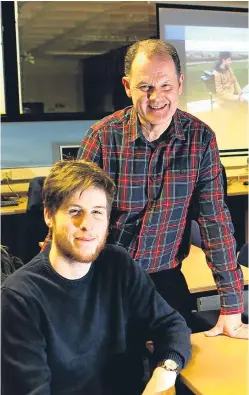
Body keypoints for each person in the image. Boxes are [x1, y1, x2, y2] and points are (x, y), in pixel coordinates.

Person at [77, 39, 248, 339]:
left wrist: (232, 306)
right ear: (127, 86)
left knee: (180, 366)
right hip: (104, 281)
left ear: (180, 84)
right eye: (145, 87)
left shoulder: (201, 139)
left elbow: (215, 223)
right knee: (116, 377)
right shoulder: (102, 137)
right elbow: (73, 217)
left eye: (166, 86)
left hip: (165, 279)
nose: (156, 98)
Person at [1, 159, 191, 395]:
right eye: (74, 212)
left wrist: (165, 371)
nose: (87, 224)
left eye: (97, 213)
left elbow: (171, 325)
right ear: (49, 216)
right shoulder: (19, 298)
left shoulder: (118, 266)